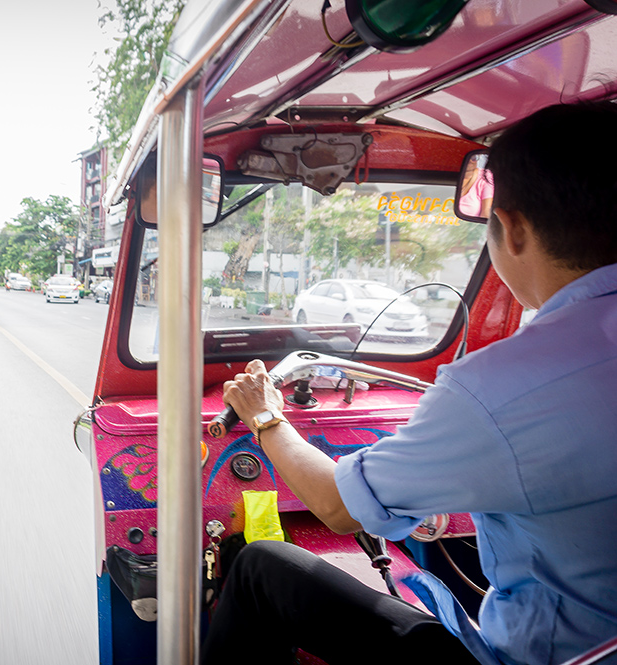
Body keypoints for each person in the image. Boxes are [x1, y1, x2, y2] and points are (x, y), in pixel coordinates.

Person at [203, 103, 617, 665]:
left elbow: (339, 508)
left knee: (260, 570)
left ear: (513, 228)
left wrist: (266, 416)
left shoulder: (496, 392)